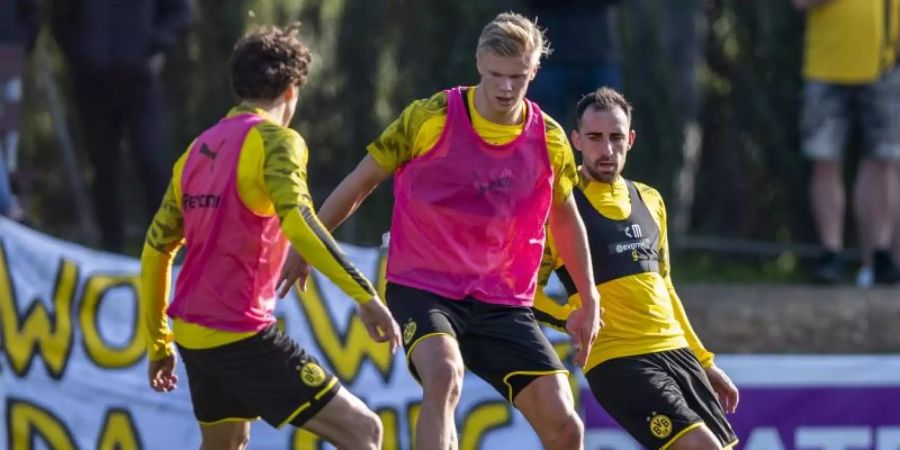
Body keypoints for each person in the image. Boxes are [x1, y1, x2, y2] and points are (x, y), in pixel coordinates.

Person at [279, 12, 601, 450]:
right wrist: (308, 244)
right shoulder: (429, 118)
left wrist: (589, 294)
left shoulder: (550, 139)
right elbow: (360, 182)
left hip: (502, 301)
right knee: (445, 375)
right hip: (423, 287)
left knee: (565, 425)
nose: (506, 88)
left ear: (534, 71)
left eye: (518, 78)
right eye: (495, 75)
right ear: (478, 63)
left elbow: (564, 218)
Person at [139, 24, 401, 450]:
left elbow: (155, 251)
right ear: (292, 91)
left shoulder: (195, 150)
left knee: (227, 442)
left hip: (191, 333)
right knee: (363, 430)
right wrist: (366, 296)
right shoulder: (277, 142)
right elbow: (299, 220)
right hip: (239, 334)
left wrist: (158, 342)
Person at [534, 87, 739, 450]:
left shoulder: (650, 199)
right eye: (595, 138)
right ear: (576, 140)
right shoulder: (560, 208)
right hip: (619, 359)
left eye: (616, 138)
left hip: (676, 352)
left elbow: (666, 287)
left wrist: (703, 361)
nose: (607, 149)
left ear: (631, 139)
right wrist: (569, 319)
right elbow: (524, 291)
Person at [51, 0, 190, 251]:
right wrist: (80, 58)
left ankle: (165, 248)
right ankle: (110, 248)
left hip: (140, 78)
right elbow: (60, 18)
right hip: (92, 84)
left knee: (153, 163)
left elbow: (178, 12)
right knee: (104, 169)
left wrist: (157, 45)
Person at [794, 0, 900, 285]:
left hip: (883, 69)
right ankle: (831, 253)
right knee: (825, 159)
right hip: (825, 69)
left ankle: (881, 255)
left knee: (884, 161)